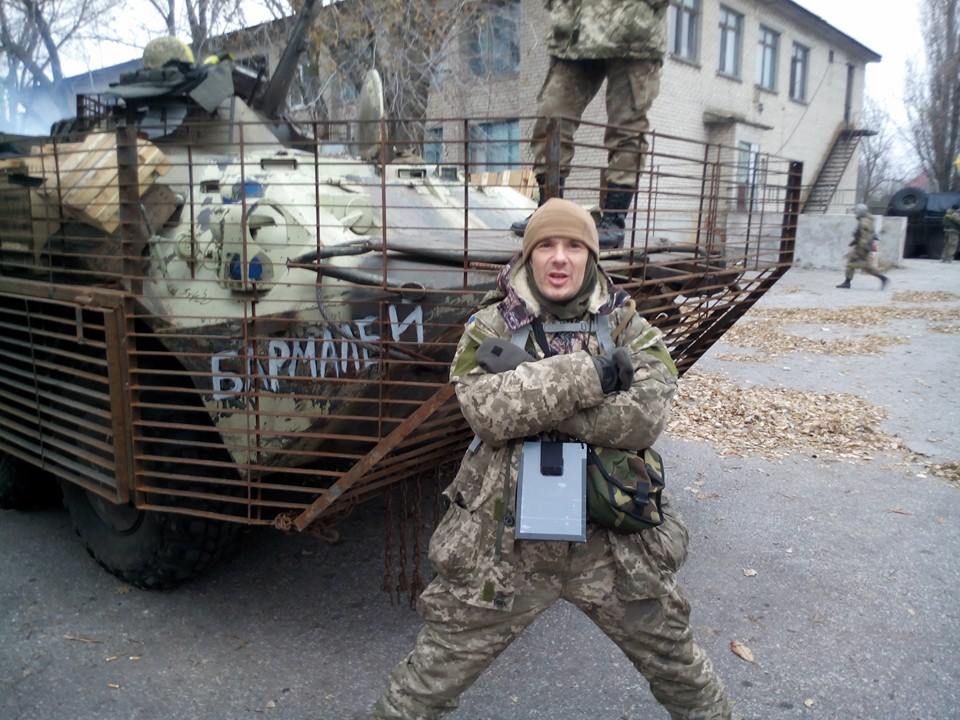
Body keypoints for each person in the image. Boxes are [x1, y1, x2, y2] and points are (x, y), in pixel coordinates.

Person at [371, 198, 732, 719]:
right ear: (528, 255)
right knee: (423, 686)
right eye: (546, 245)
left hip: (613, 547)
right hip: (501, 551)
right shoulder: (489, 327)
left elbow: (645, 418)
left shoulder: (627, 324)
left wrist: (539, 405)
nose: (559, 257)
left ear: (590, 256)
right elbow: (488, 413)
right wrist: (594, 376)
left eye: (573, 246)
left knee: (682, 674)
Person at [510, 0, 668, 249]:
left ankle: (613, 220)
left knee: (626, 128)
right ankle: (549, 212)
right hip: (575, 31)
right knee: (552, 117)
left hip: (633, 31)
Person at [837, 203, 889, 289]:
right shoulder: (865, 220)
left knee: (856, 265)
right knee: (859, 265)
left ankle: (847, 283)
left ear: (860, 211)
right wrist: (855, 242)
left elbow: (865, 237)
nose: (855, 213)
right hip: (862, 246)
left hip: (862, 247)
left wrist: (861, 249)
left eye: (856, 211)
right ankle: (847, 282)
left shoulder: (864, 222)